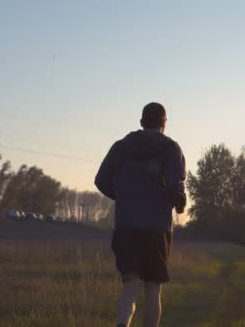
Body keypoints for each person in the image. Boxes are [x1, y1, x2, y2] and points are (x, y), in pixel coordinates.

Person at [95, 102, 186, 327]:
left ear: (141, 122)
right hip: (157, 228)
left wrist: (125, 197)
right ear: (164, 124)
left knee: (130, 285)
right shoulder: (172, 149)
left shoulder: (121, 147)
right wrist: (180, 205)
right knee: (153, 287)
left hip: (127, 226)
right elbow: (176, 186)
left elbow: (101, 180)